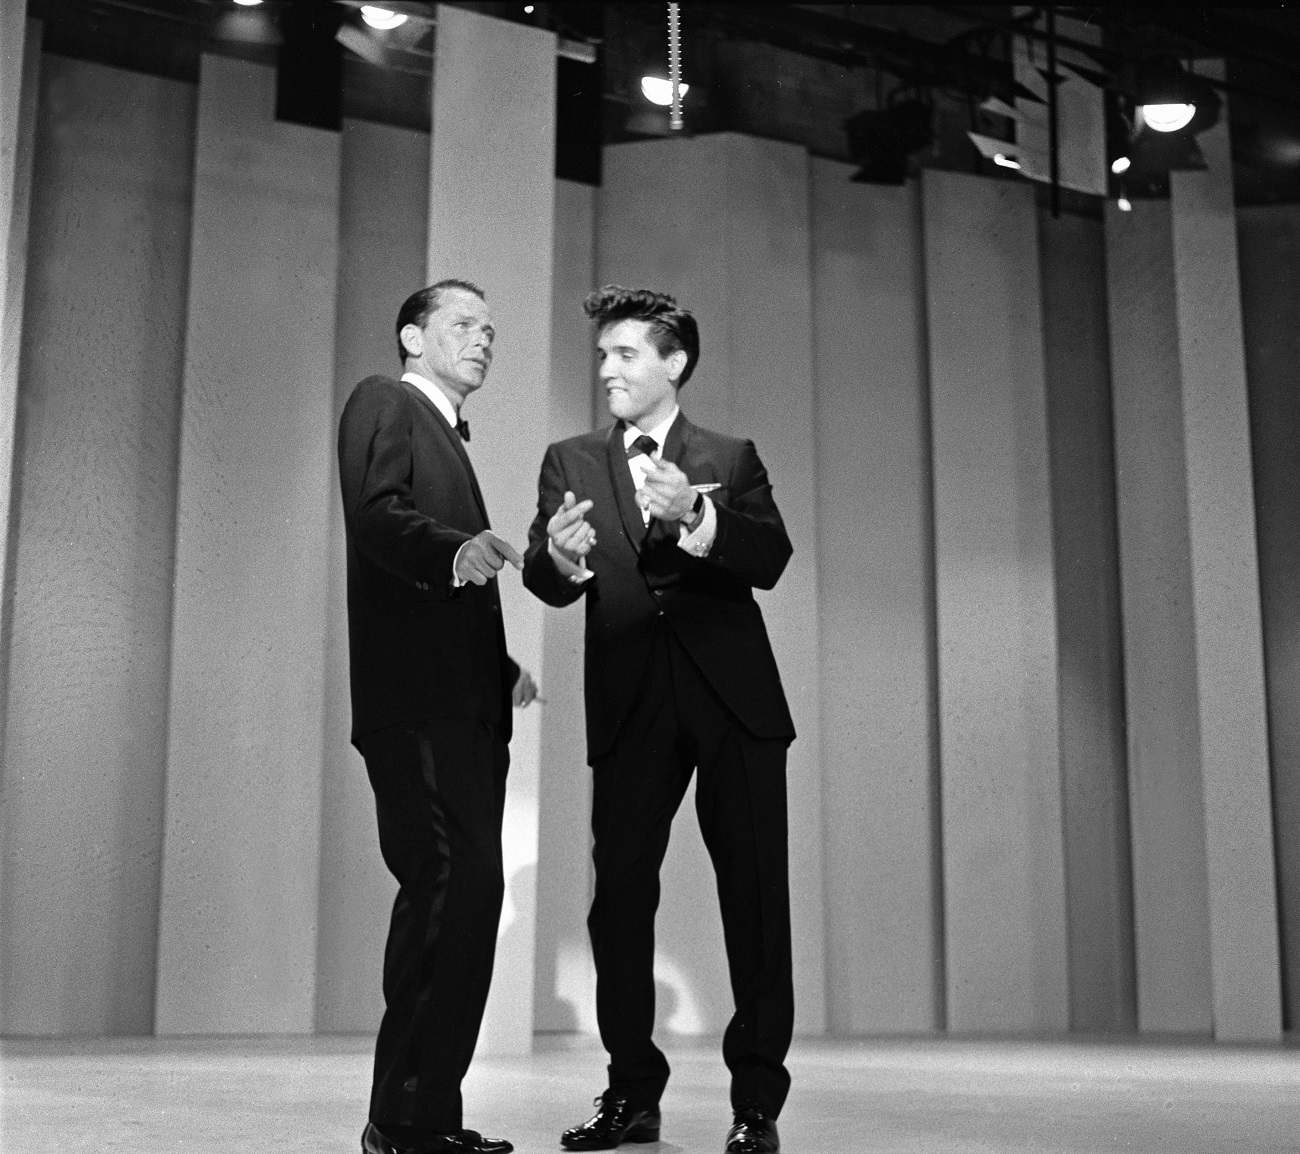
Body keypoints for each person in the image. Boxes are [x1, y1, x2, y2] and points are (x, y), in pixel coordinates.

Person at [523, 286, 796, 1154]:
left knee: (753, 902)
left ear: (674, 362)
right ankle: (631, 1092)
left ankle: (756, 1104)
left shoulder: (729, 453)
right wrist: (558, 561)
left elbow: (770, 558)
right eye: (602, 356)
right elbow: (544, 573)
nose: (607, 369)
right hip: (633, 701)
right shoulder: (569, 460)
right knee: (620, 905)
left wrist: (700, 515)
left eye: (626, 354)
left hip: (733, 702)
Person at [338, 279, 536, 1154]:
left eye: (491, 329)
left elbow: (444, 589)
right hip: (414, 707)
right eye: (463, 323)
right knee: (445, 885)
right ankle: (400, 1121)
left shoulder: (452, 439)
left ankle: (427, 1117)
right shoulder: (386, 401)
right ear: (412, 338)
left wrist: (500, 670)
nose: (483, 338)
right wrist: (453, 551)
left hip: (460, 706)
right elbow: (378, 519)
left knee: (469, 898)